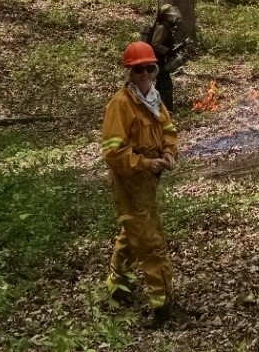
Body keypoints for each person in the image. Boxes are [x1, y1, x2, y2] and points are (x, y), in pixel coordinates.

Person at [102, 41, 180, 326]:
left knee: (131, 230)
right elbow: (114, 152)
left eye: (149, 68)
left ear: (155, 70)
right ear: (130, 73)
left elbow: (168, 130)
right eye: (138, 70)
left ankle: (116, 284)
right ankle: (163, 305)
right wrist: (146, 163)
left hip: (148, 181)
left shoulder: (154, 100)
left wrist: (169, 152)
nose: (145, 74)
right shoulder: (121, 104)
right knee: (149, 241)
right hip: (130, 181)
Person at [145, 4, 186, 112]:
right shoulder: (162, 28)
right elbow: (155, 44)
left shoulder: (166, 28)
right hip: (157, 61)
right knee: (166, 86)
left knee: (160, 86)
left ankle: (154, 108)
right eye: (171, 16)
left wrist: (175, 49)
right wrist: (167, 51)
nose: (174, 18)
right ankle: (167, 111)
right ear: (166, 16)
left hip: (160, 61)